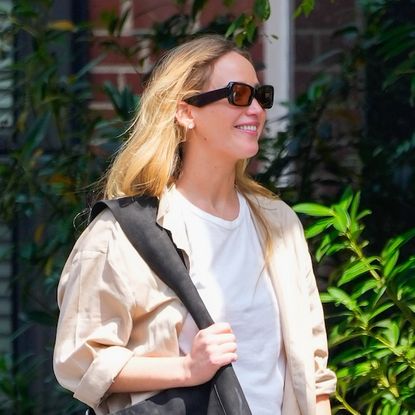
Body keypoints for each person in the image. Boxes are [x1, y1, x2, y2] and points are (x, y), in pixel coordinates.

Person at [53, 34, 336, 415]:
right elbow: (81, 360)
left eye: (261, 95)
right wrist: (187, 368)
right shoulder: (124, 233)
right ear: (186, 111)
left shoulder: (276, 222)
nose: (255, 108)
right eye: (238, 94)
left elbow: (313, 374)